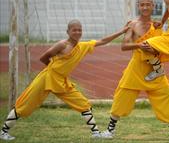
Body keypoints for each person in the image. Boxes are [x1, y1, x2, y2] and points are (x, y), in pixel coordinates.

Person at [101, 0, 169, 139]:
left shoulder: (158, 26)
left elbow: (162, 45)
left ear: (153, 6)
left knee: (166, 96)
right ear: (138, 6)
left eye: (148, 5)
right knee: (122, 97)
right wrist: (140, 45)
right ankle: (110, 130)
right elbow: (124, 46)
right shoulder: (132, 25)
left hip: (155, 69)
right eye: (142, 5)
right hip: (136, 67)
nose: (145, 7)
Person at [0, 20, 128, 141]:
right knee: (25, 104)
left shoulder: (83, 46)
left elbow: (103, 41)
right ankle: (3, 132)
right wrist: (53, 70)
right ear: (68, 32)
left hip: (62, 81)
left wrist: (122, 32)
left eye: (80, 30)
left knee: (83, 103)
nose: (77, 32)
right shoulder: (62, 44)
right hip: (47, 78)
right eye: (74, 30)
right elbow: (44, 57)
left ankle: (95, 133)